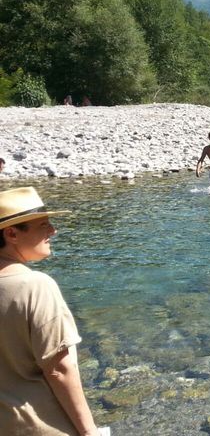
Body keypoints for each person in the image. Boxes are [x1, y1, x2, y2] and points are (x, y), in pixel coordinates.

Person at [0, 186, 100, 435]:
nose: (53, 231)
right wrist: (89, 432)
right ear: (12, 233)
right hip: (39, 425)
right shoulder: (35, 286)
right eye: (43, 224)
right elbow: (59, 369)